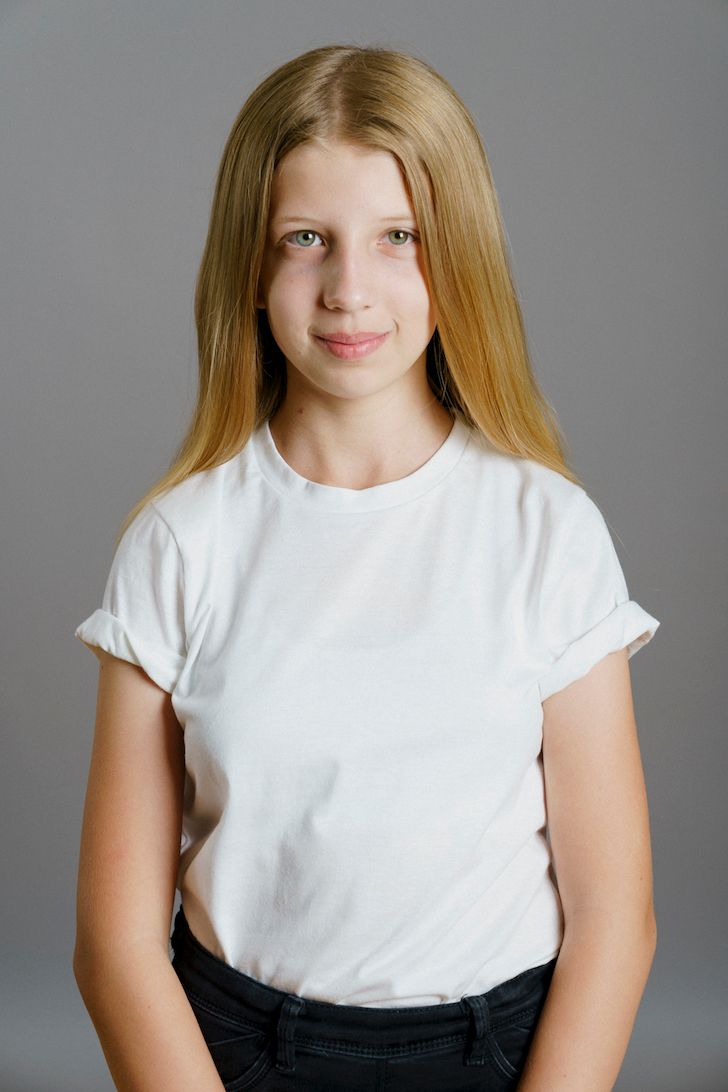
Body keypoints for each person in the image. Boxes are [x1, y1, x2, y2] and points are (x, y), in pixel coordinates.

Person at [72, 43, 660, 1092]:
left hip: (496, 1054)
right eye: (305, 239)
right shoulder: (181, 543)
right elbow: (116, 946)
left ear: (457, 254)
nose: (350, 289)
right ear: (252, 267)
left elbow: (615, 923)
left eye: (400, 237)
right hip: (239, 1053)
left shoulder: (546, 531)